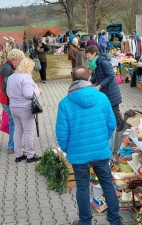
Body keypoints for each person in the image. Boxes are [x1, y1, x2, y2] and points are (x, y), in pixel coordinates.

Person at [55, 67, 122, 225]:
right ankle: (114, 220)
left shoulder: (65, 103)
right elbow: (112, 123)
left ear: (72, 80)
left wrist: (67, 149)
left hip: (79, 155)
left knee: (83, 188)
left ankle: (85, 222)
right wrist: (102, 140)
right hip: (100, 152)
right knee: (107, 184)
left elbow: (62, 133)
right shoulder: (102, 97)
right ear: (89, 78)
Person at [6, 58, 42, 163]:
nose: (32, 69)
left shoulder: (11, 77)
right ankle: (30, 155)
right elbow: (28, 94)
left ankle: (19, 154)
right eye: (31, 67)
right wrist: (38, 91)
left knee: (17, 131)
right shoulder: (26, 77)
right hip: (24, 108)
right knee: (28, 132)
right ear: (27, 67)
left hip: (13, 106)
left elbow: (8, 92)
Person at [85, 45, 123, 131]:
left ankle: (121, 130)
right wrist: (89, 82)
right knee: (107, 111)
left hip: (111, 91)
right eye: (86, 55)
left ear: (94, 53)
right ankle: (112, 128)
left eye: (88, 54)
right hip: (104, 91)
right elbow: (97, 76)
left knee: (115, 112)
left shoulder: (103, 62)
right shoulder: (96, 63)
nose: (87, 57)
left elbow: (111, 76)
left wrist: (99, 86)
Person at [0, 49, 25, 154]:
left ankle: (14, 144)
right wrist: (15, 98)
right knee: (15, 123)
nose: (20, 63)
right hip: (8, 101)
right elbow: (6, 87)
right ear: (13, 59)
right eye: (19, 61)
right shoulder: (7, 69)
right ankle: (13, 146)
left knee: (13, 122)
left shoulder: (8, 67)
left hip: (7, 100)